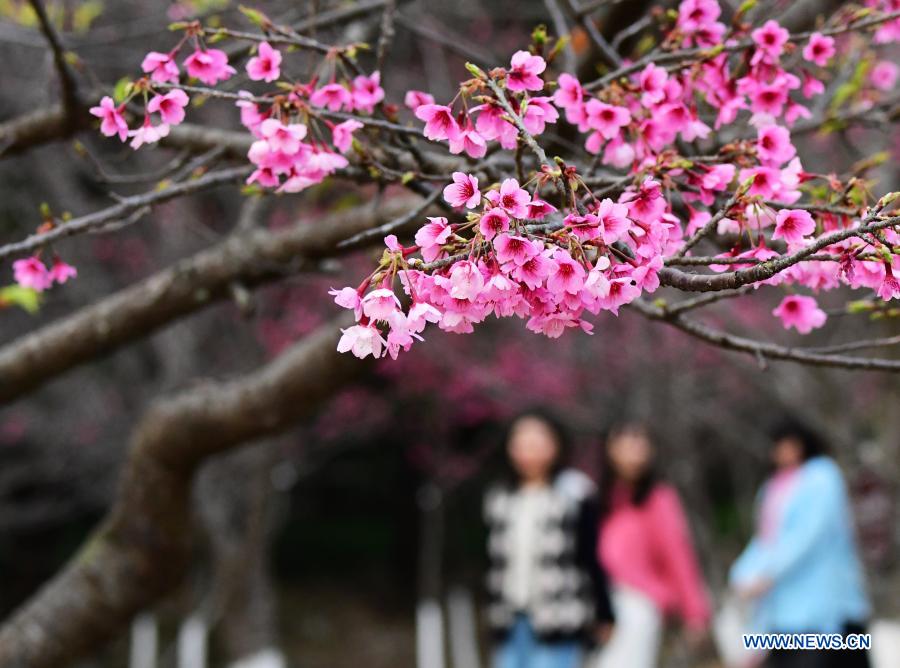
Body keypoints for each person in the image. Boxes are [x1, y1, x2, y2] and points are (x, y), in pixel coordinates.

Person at [729, 420, 871, 668]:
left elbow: (807, 535)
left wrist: (768, 573)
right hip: (783, 616)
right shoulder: (772, 486)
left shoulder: (822, 477)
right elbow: (765, 537)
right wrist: (742, 574)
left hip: (824, 607)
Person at [484, 408, 615, 668]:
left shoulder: (574, 493)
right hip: (509, 620)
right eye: (521, 440)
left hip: (559, 618)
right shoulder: (499, 498)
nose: (529, 448)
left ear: (556, 444)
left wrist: (604, 612)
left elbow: (590, 555)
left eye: (538, 440)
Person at [594, 421, 711, 668]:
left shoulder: (658, 498)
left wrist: (695, 612)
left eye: (640, 442)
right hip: (601, 602)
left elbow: (678, 554)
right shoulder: (601, 498)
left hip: (640, 603)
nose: (634, 449)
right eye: (626, 442)